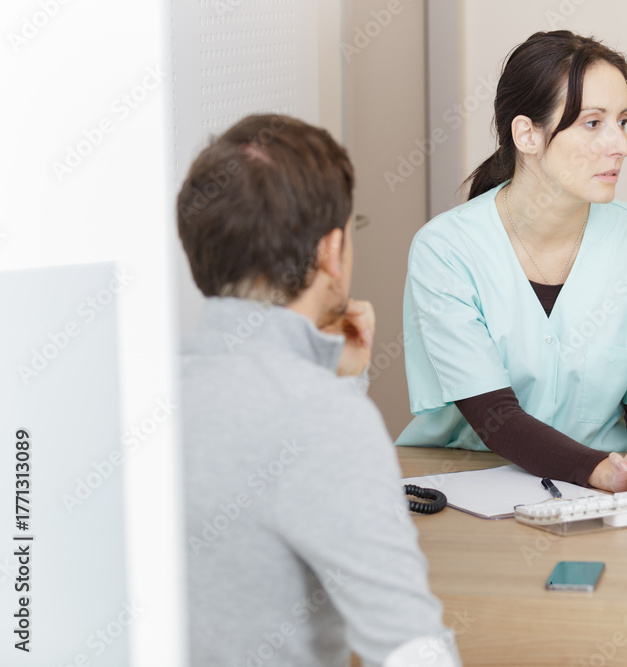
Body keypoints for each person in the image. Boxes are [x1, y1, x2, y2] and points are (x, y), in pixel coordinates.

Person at [396, 31, 627, 493]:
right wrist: (598, 470)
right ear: (527, 134)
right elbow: (495, 418)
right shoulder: (446, 250)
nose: (621, 145)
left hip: (601, 493)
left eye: (624, 121)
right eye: (593, 123)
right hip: (467, 485)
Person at [177, 114, 461, 667]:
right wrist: (332, 399)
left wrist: (335, 378)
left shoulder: (143, 391)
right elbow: (410, 650)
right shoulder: (319, 418)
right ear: (331, 252)